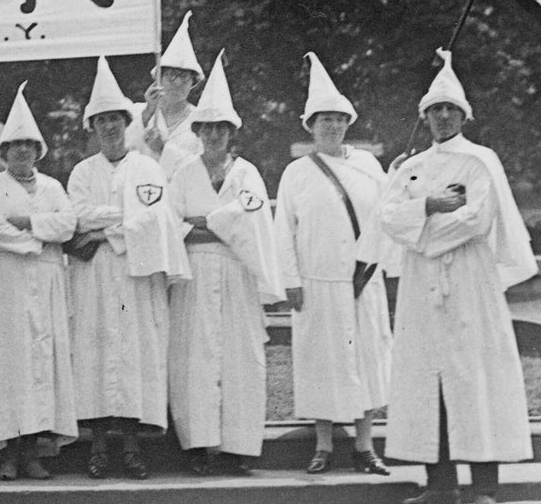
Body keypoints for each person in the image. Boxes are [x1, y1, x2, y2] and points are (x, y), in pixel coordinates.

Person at [378, 49, 536, 504]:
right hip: (422, 285)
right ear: (424, 116)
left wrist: (423, 233)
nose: (442, 116)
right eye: (434, 109)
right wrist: (426, 205)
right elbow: (388, 216)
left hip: (468, 278)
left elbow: (475, 218)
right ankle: (440, 483)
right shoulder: (411, 166)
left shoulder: (480, 161)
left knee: (475, 376)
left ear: (463, 115)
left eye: (450, 109)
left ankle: (485, 485)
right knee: (430, 380)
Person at [67, 58, 189, 480]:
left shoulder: (147, 167)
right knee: (97, 354)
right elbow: (78, 215)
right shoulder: (83, 172)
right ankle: (99, 446)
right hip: (96, 277)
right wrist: (116, 221)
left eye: (115, 120)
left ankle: (135, 447)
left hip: (136, 276)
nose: (109, 128)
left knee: (135, 356)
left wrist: (106, 231)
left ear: (126, 121)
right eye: (100, 121)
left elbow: (153, 218)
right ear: (93, 127)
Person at [274, 53, 392, 475]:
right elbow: (282, 231)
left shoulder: (369, 166)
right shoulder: (296, 173)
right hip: (316, 282)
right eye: (323, 119)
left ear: (349, 122)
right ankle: (323, 444)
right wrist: (290, 281)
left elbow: (387, 217)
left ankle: (365, 446)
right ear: (310, 125)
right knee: (321, 362)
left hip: (361, 281)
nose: (332, 125)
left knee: (366, 360)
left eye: (339, 118)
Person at [167, 51, 282, 475]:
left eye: (221, 128)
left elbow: (250, 220)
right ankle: (198, 446)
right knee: (194, 357)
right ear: (197, 131)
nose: (214, 134)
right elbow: (172, 222)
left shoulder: (246, 173)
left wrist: (204, 221)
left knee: (239, 355)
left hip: (236, 273)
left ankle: (238, 446)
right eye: (207, 128)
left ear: (231, 133)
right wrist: (216, 224)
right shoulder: (182, 173)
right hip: (194, 274)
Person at [0, 83, 78, 480]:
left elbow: (67, 224)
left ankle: (35, 449)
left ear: (38, 151)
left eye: (29, 145)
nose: (22, 151)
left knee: (41, 362)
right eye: (15, 145)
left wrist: (27, 223)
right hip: (5, 280)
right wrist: (37, 239)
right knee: (10, 363)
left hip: (47, 282)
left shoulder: (53, 186)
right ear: (4, 152)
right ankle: (7, 450)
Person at [126, 12, 205, 175]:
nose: (177, 82)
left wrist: (164, 149)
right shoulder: (136, 112)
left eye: (184, 77)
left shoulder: (202, 121)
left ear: (193, 82)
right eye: (171, 75)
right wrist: (148, 112)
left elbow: (201, 170)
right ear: (159, 78)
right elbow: (120, 150)